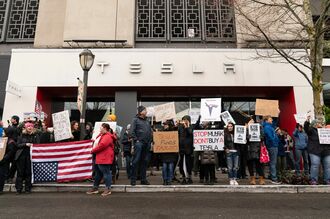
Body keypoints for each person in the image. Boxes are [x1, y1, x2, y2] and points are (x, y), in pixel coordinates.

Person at [87, 123, 115, 196]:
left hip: (104, 157)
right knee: (98, 174)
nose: (100, 129)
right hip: (100, 157)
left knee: (106, 173)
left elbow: (102, 145)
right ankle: (95, 188)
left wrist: (92, 151)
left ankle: (108, 189)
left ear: (105, 128)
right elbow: (98, 143)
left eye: (101, 128)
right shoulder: (102, 135)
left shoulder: (107, 136)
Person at [129, 106, 153, 186]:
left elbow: (149, 131)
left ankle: (143, 179)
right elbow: (131, 131)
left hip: (147, 143)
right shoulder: (135, 120)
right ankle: (133, 179)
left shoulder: (147, 120)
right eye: (145, 110)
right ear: (140, 112)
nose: (146, 111)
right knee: (136, 161)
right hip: (139, 143)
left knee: (145, 162)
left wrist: (151, 141)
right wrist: (137, 140)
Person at [15, 122, 40, 194]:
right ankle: (18, 189)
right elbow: (17, 145)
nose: (30, 128)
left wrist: (33, 145)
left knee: (28, 172)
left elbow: (38, 145)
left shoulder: (36, 135)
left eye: (31, 126)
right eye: (28, 126)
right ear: (25, 128)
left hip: (30, 156)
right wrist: (25, 144)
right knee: (20, 173)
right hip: (21, 156)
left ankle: (27, 188)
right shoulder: (21, 135)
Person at [304, 119, 330, 185]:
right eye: (318, 123)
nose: (320, 124)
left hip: (326, 151)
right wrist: (307, 122)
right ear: (314, 124)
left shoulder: (327, 131)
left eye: (321, 123)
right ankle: (313, 180)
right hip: (314, 151)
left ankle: (327, 180)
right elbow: (306, 128)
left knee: (328, 166)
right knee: (315, 165)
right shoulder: (311, 130)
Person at [246, 118, 265, 185]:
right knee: (250, 165)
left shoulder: (259, 128)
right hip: (249, 149)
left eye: (253, 121)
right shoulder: (246, 129)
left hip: (257, 149)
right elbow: (244, 138)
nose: (252, 122)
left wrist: (260, 136)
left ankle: (261, 179)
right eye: (250, 121)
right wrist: (247, 129)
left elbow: (263, 137)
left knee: (259, 165)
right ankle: (252, 179)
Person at [263, 115, 281, 184]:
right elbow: (270, 137)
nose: (272, 120)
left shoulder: (269, 127)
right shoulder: (267, 127)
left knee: (272, 162)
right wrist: (275, 139)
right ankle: (274, 178)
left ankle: (272, 176)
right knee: (273, 162)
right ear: (267, 120)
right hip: (272, 146)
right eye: (270, 119)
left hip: (273, 145)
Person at [160, 120, 178, 186]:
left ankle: (169, 180)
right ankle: (165, 180)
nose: (165, 126)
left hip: (171, 153)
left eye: (166, 124)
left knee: (170, 167)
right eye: (164, 124)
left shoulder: (173, 132)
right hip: (164, 153)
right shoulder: (161, 133)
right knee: (164, 167)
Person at [0, 128, 17, 194]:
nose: (3, 133)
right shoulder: (3, 140)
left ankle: (0, 189)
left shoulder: (10, 141)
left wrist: (3, 158)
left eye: (4, 132)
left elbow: (11, 152)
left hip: (5, 160)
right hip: (3, 159)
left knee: (2, 175)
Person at [178, 115, 194, 184]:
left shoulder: (191, 127)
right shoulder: (180, 127)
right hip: (181, 148)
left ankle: (189, 177)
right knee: (181, 164)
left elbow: (190, 133)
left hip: (189, 148)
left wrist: (186, 127)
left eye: (186, 120)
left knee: (188, 163)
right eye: (183, 120)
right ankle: (183, 177)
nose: (184, 121)